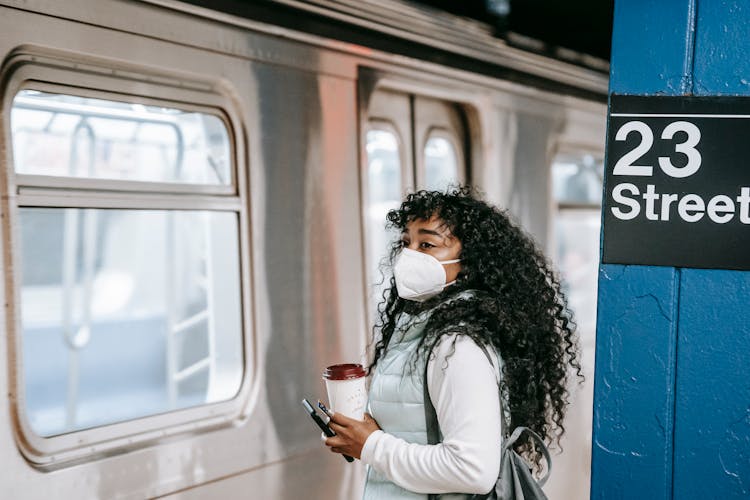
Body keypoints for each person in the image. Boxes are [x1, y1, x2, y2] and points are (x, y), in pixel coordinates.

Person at [324, 186, 581, 499]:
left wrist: (372, 445)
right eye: (407, 243)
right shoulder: (422, 329)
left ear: (470, 259)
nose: (410, 255)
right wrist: (366, 434)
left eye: (428, 244)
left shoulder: (457, 345)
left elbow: (473, 469)